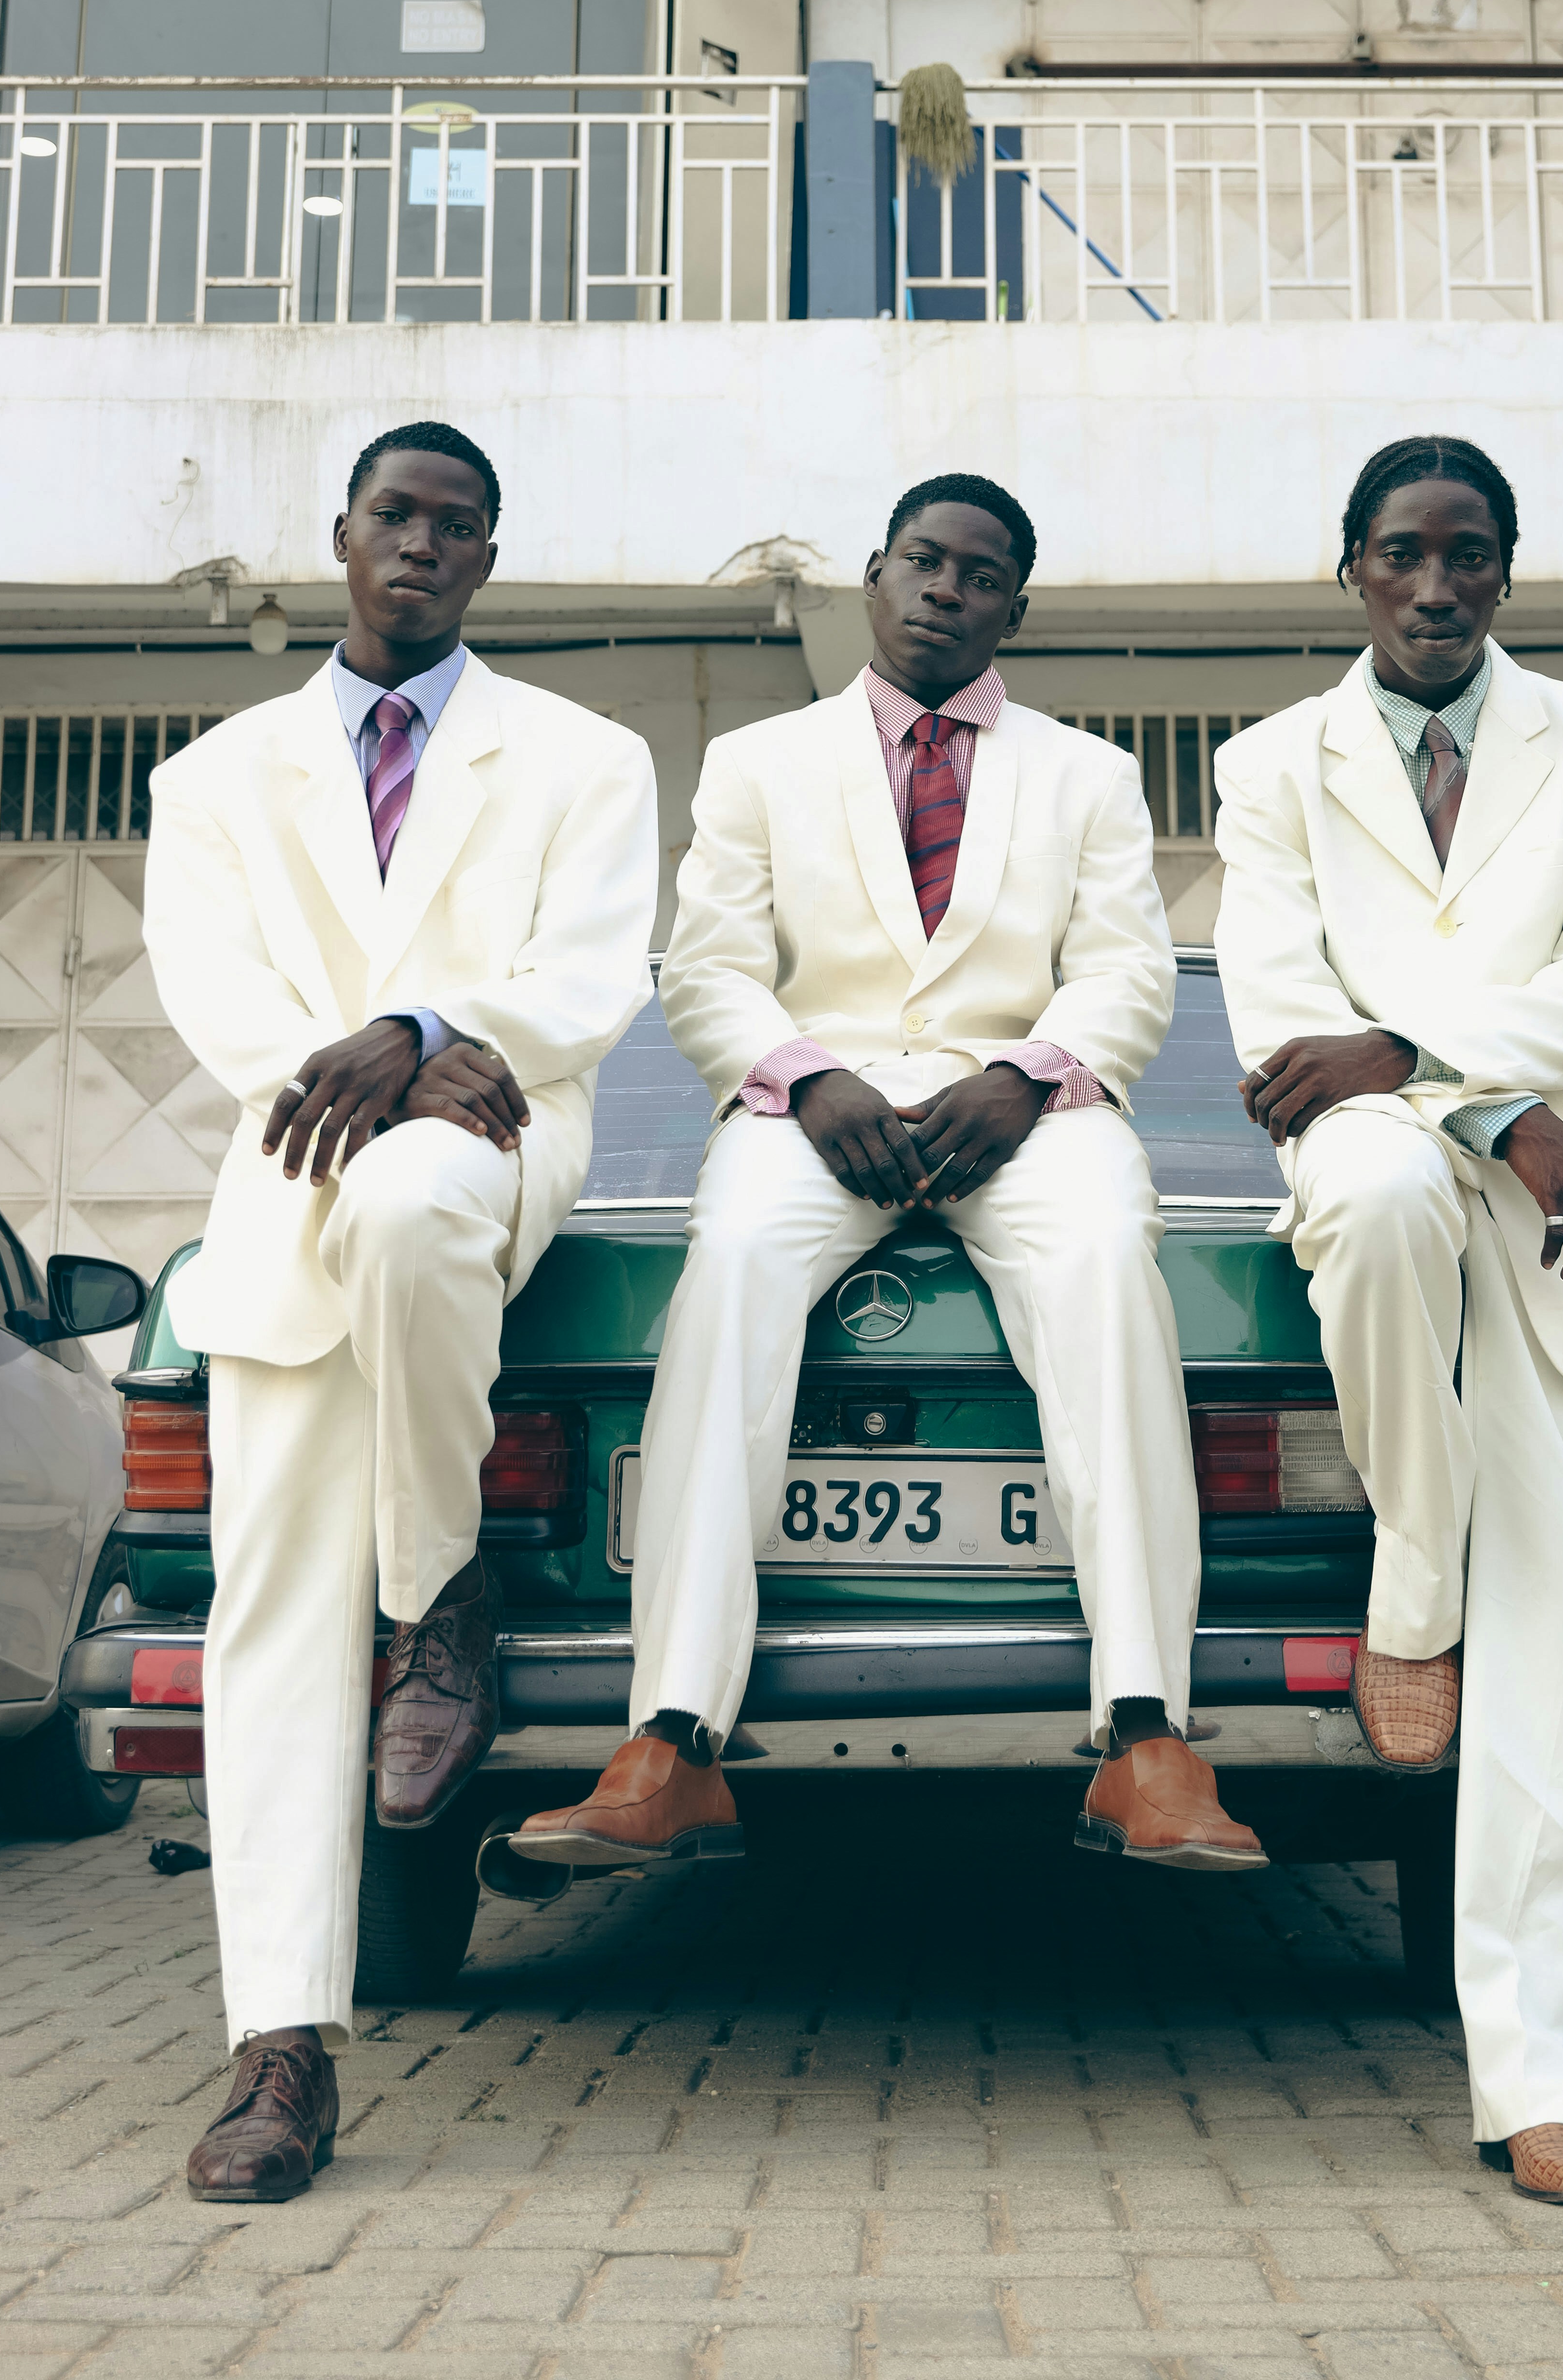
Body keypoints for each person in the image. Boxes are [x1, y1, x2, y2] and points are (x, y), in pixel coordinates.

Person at [512, 473, 1261, 1880]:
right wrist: (807, 1078)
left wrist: (1029, 1075)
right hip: (818, 1112)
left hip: (1024, 1113)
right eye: (923, 562)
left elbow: (1127, 972)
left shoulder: (1088, 775)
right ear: (873, 574)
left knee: (1110, 1270)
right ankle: (671, 1739)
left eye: (980, 576)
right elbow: (714, 969)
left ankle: (1148, 1738)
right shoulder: (757, 763)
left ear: (1013, 610)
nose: (944, 591)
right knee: (723, 1274)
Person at [143, 422, 658, 2205]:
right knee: (269, 1631)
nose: (421, 546)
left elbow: (592, 974)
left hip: (501, 1134)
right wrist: (362, 1067)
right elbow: (223, 1001)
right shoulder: (215, 778)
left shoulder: (584, 757)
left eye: (457, 527)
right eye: (394, 517)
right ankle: (284, 2052)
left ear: (488, 560)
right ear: (340, 537)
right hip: (295, 1181)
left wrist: (431, 1035)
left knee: (427, 1192)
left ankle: (437, 1584)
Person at [1210, 435, 1563, 2213]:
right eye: (1406, 556)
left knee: (1561, 1628)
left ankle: (1546, 2073)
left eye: (1472, 557)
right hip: (1392, 1166)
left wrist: (1445, 1070)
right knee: (1371, 1183)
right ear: (1351, 567)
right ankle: (1409, 1574)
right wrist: (1479, 1105)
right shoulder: (1270, 764)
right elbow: (1283, 1008)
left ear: (1506, 571)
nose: (1439, 589)